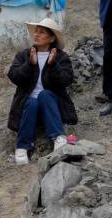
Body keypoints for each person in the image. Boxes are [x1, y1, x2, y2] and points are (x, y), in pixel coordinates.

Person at [7, 19, 76, 165]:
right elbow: (14, 76)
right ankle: (22, 147)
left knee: (44, 95)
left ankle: (59, 137)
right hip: (28, 108)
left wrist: (53, 66)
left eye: (41, 32)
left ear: (51, 38)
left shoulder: (61, 57)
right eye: (36, 31)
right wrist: (30, 64)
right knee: (32, 102)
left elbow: (67, 80)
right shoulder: (24, 55)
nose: (36, 35)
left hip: (52, 107)